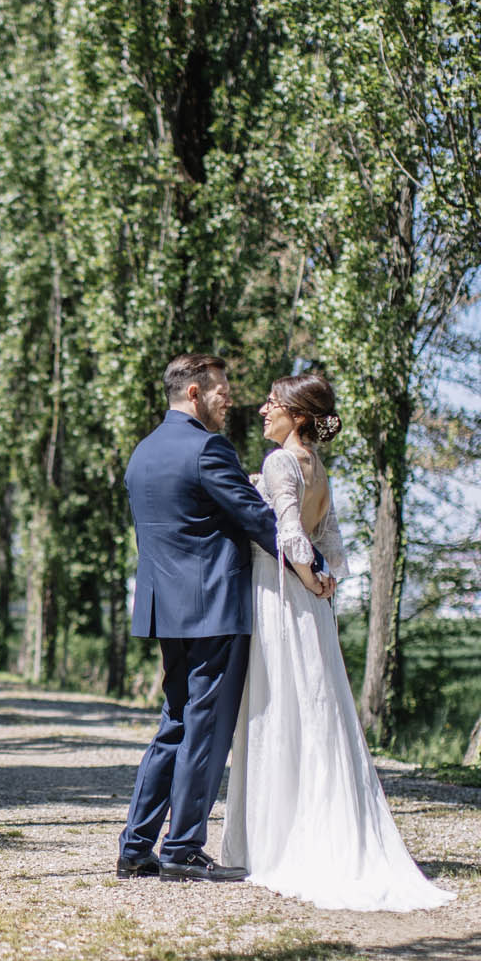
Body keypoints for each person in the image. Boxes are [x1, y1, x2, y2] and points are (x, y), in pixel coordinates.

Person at [217, 373, 453, 911]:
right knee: (314, 711)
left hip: (279, 595)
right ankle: (319, 829)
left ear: (297, 415)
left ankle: (277, 842)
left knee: (278, 712)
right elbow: (331, 540)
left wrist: (304, 575)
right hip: (311, 604)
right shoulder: (317, 467)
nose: (262, 411)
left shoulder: (281, 462)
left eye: (272, 404)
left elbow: (289, 536)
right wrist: (324, 580)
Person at [116, 354, 332, 883]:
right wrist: (313, 566)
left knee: (174, 723)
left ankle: (136, 845)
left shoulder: (143, 453)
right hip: (213, 607)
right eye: (220, 392)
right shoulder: (208, 448)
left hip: (165, 609)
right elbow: (256, 517)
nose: (228, 400)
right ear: (193, 392)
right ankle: (184, 847)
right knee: (204, 730)